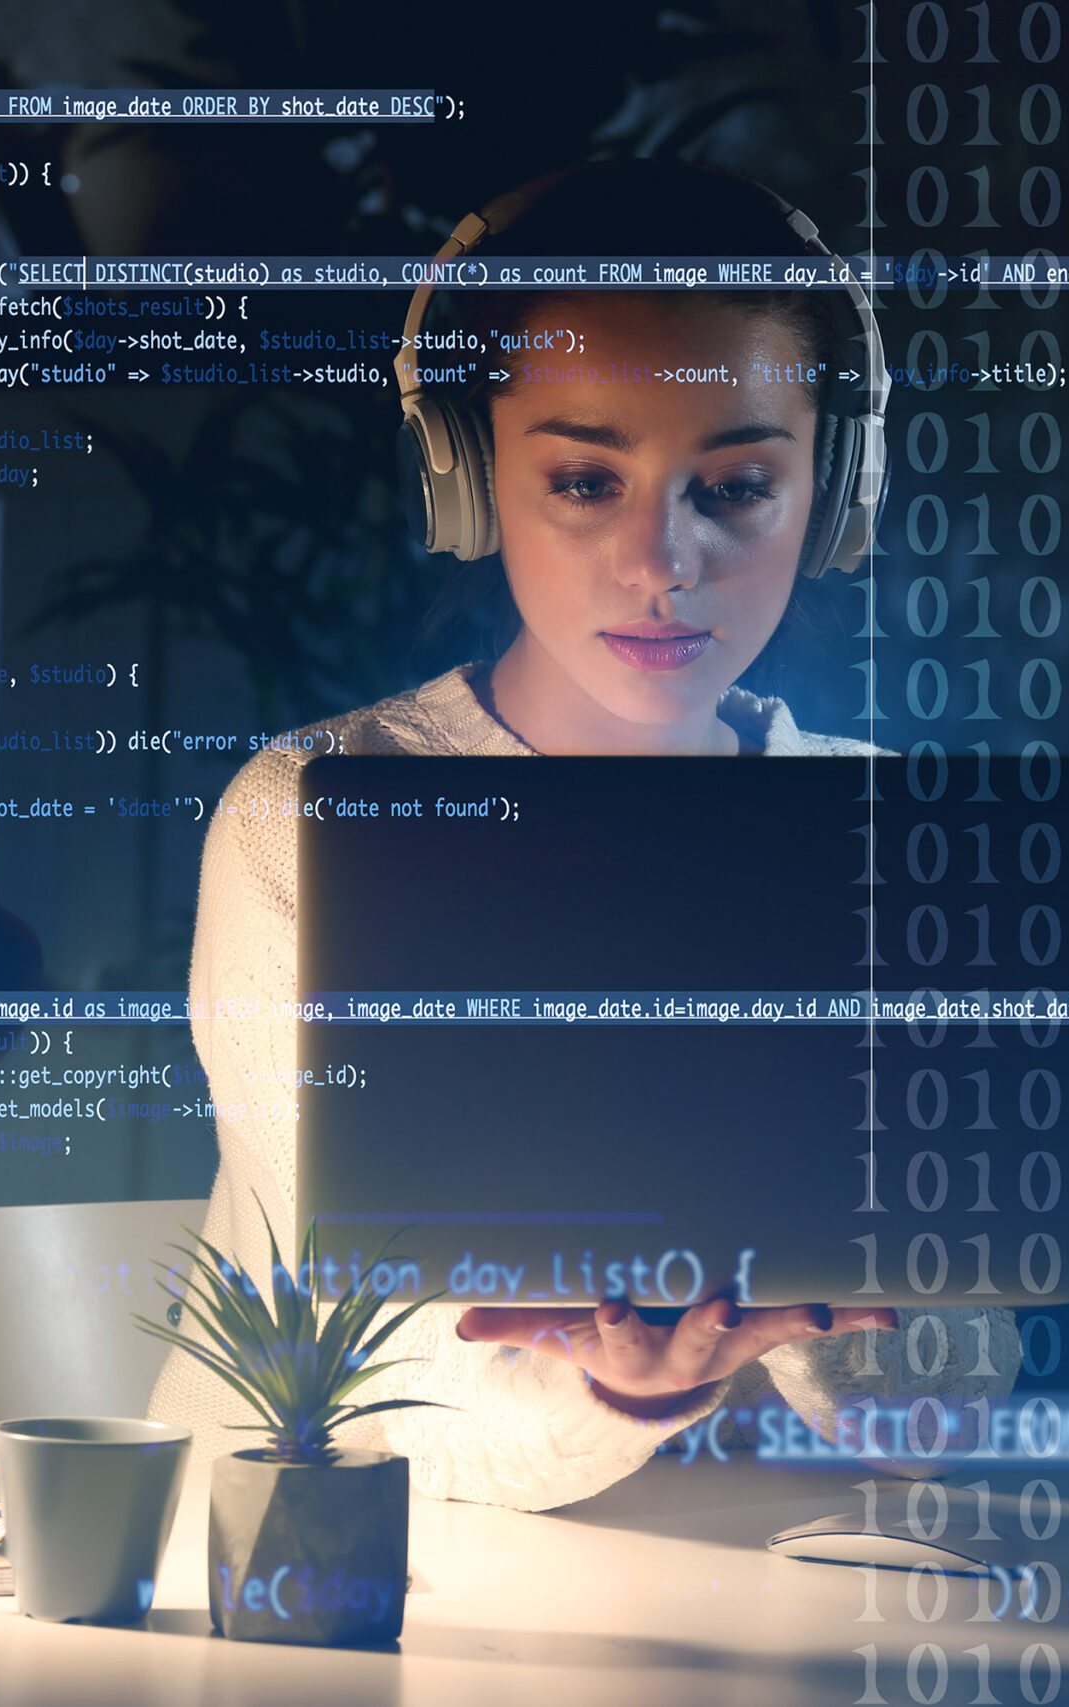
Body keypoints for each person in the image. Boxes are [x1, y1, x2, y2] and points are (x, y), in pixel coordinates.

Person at [149, 161, 1020, 1511]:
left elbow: (950, 1403)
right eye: (582, 480)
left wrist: (841, 1326)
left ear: (834, 487)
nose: (662, 562)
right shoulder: (311, 816)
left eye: (733, 488)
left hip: (781, 1597)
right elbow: (357, 1376)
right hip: (345, 1586)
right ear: (472, 477)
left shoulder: (882, 829)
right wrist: (621, 1388)